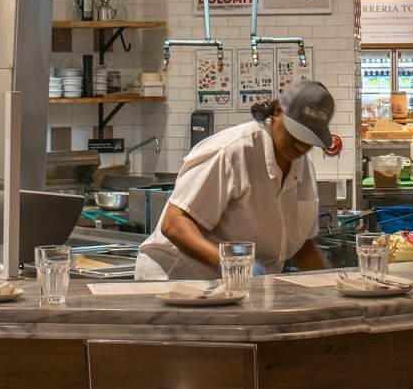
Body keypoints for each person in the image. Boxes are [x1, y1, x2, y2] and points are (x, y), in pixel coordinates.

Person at [136, 80, 338, 281]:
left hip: (241, 285)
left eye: (310, 138)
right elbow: (174, 223)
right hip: (177, 280)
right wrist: (230, 264)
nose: (301, 145)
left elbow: (303, 247)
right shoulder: (230, 152)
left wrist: (328, 285)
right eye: (296, 132)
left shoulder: (303, 170)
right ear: (277, 111)